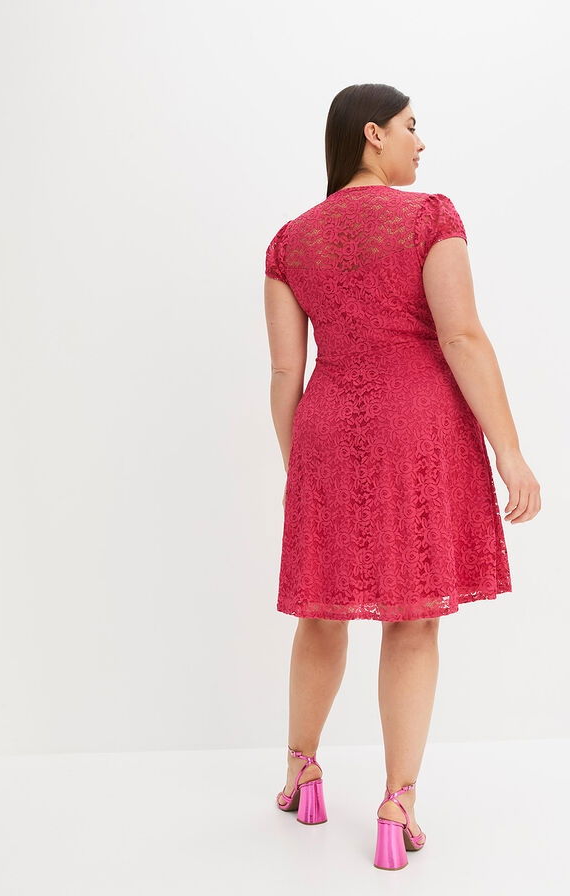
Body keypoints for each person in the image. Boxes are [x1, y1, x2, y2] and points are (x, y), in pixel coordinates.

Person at [263, 83, 541, 870]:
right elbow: (462, 336)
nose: (422, 142)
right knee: (412, 619)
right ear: (372, 134)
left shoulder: (289, 242)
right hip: (417, 427)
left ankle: (301, 769)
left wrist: (299, 466)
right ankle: (398, 803)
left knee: (321, 611)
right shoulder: (429, 218)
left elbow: (284, 372)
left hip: (325, 427)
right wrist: (509, 451)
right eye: (412, 126)